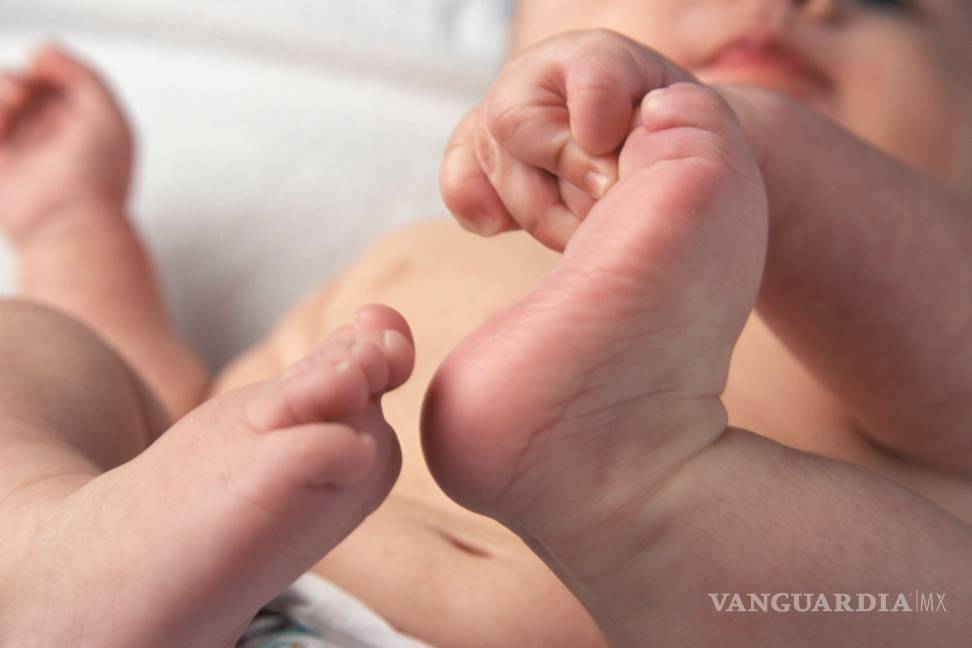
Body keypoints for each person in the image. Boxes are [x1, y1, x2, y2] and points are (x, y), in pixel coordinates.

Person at [1, 0, 970, 644]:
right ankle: (52, 551)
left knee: (937, 598)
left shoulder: (900, 287)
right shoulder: (426, 250)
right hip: (212, 600)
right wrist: (70, 228)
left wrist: (759, 150)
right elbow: (154, 412)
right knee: (38, 352)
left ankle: (649, 487)